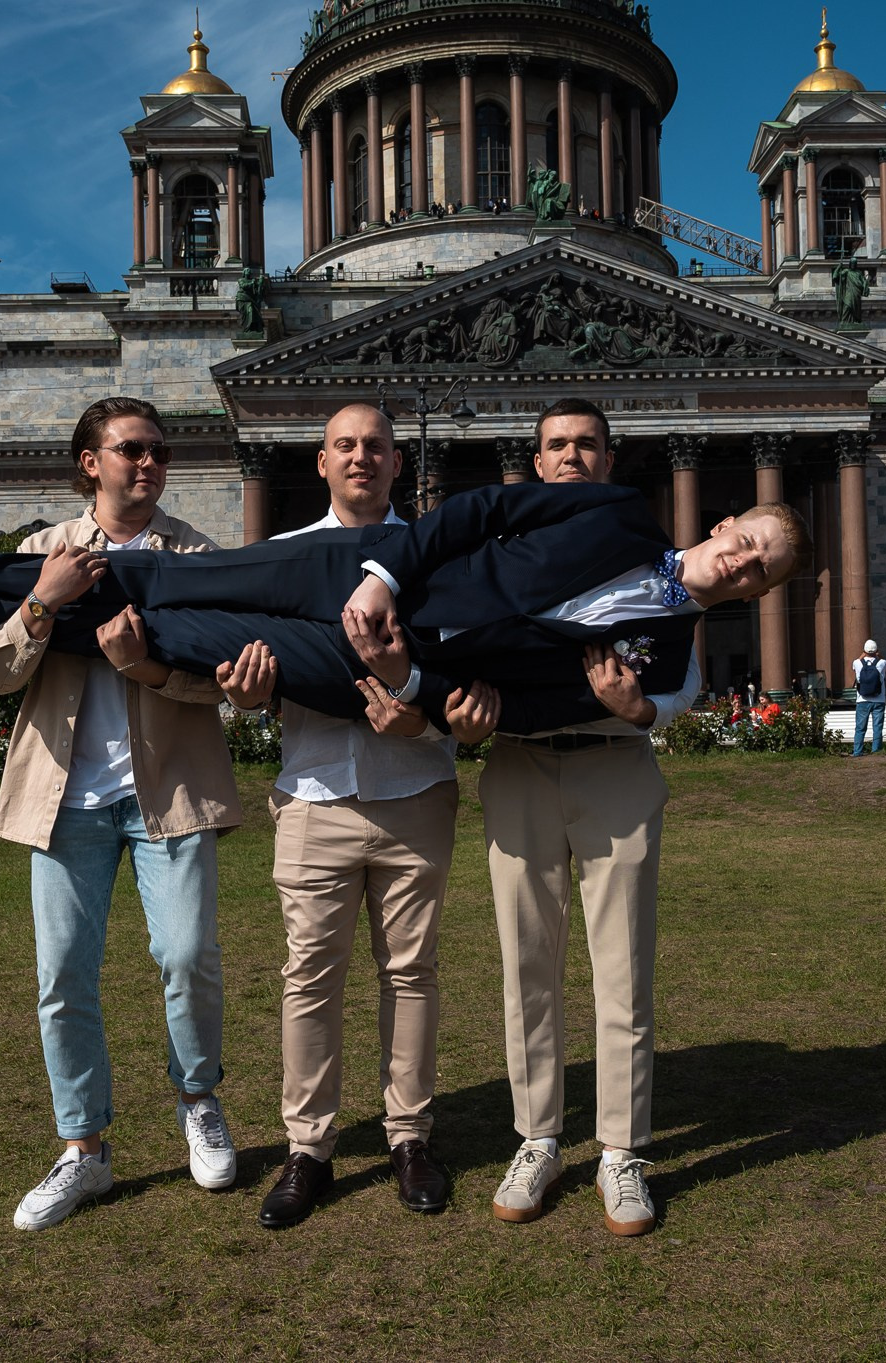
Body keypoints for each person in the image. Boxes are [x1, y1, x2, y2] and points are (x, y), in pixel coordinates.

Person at [0, 480, 804, 740]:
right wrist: (381, 572)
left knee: (178, 633)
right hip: (358, 573)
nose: (744, 561)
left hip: (382, 674)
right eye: (748, 539)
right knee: (175, 578)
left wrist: (411, 680)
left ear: (758, 593)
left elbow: (527, 711)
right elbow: (471, 515)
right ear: (724, 521)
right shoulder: (614, 507)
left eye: (759, 570)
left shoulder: (669, 667)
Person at [0, 395, 243, 1232]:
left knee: (188, 954)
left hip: (171, 791)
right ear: (91, 462)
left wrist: (148, 667)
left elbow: (220, 678)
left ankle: (198, 1099)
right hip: (64, 799)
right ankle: (82, 1150)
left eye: (159, 450)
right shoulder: (37, 553)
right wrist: (43, 600)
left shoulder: (195, 555)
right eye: (133, 450)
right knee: (62, 978)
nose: (150, 463)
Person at [240, 403, 497, 1230]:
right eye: (344, 446)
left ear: (398, 463)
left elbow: (460, 686)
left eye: (375, 447)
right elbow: (254, 672)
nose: (360, 458)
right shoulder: (279, 560)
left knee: (411, 974)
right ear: (319, 462)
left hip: (415, 791)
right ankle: (308, 1147)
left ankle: (410, 1137)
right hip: (314, 794)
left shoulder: (440, 562)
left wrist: (418, 716)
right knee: (309, 978)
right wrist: (243, 697)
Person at [461, 398, 703, 1240]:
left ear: (611, 458)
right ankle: (537, 1139)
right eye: (556, 446)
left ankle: (622, 1151)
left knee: (622, 971)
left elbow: (688, 676)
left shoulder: (654, 557)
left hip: (615, 767)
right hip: (521, 765)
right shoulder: (500, 555)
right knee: (526, 967)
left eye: (587, 445)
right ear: (532, 463)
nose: (571, 457)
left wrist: (646, 709)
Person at [851, 640, 886, 756]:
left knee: (860, 728)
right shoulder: (882, 663)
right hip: (879, 700)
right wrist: (878, 655)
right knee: (877, 727)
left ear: (864, 651)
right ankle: (876, 751)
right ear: (876, 651)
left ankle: (857, 751)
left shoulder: (857, 663)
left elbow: (856, 664)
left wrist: (863, 654)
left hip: (862, 700)